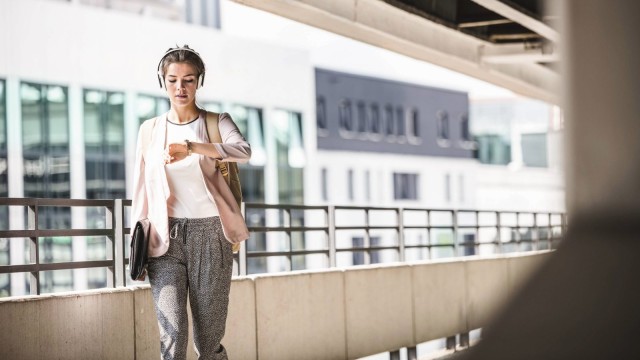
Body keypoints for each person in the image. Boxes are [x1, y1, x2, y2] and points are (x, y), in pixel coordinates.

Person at [131, 45, 251, 360]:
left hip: (211, 235)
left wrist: (192, 147)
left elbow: (243, 150)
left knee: (208, 341)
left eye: (188, 79)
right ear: (163, 82)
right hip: (164, 241)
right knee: (171, 338)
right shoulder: (150, 130)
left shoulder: (215, 121)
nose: (180, 88)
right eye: (172, 80)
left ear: (199, 81)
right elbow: (141, 190)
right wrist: (136, 244)